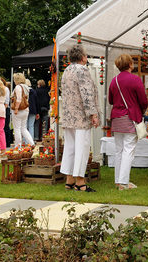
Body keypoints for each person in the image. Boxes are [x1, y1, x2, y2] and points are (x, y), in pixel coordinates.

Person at [60, 45, 100, 192]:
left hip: (69, 115)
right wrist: (93, 114)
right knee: (82, 147)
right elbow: (87, 94)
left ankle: (69, 179)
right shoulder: (82, 70)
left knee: (70, 147)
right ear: (83, 57)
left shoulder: (67, 70)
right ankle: (80, 182)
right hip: (81, 116)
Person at [108, 54, 148, 190]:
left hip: (116, 118)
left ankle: (118, 181)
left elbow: (111, 100)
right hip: (130, 117)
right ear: (130, 64)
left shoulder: (114, 80)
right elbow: (143, 100)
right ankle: (124, 183)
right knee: (128, 150)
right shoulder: (135, 79)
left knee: (119, 150)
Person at [11, 73, 34, 147]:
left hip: (19, 110)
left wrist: (16, 109)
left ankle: (18, 146)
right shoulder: (26, 87)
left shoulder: (18, 87)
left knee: (17, 128)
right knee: (24, 128)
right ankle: (31, 143)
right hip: (26, 110)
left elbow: (19, 99)